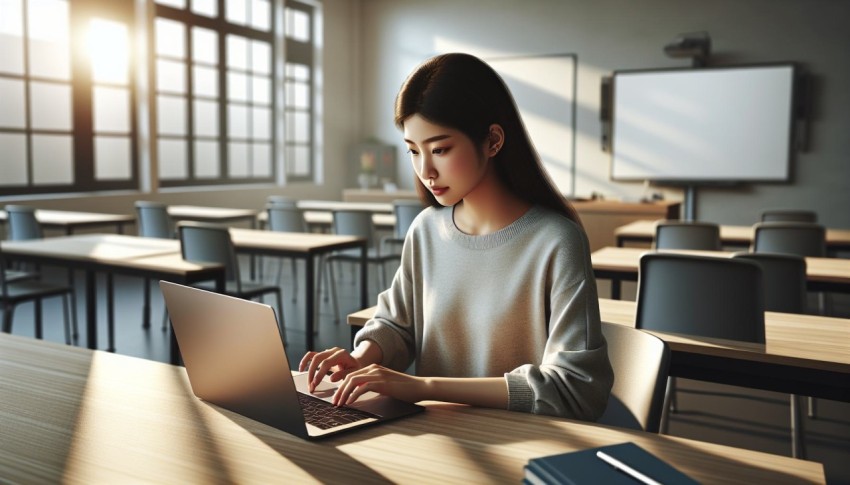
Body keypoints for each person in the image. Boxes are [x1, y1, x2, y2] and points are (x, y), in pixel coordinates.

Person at [300, 53, 613, 420]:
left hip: (524, 437)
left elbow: (574, 387)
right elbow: (397, 325)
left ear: (493, 140)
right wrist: (359, 359)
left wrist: (425, 387)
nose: (426, 170)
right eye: (413, 151)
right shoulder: (426, 230)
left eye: (440, 150)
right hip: (436, 435)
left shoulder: (557, 241)